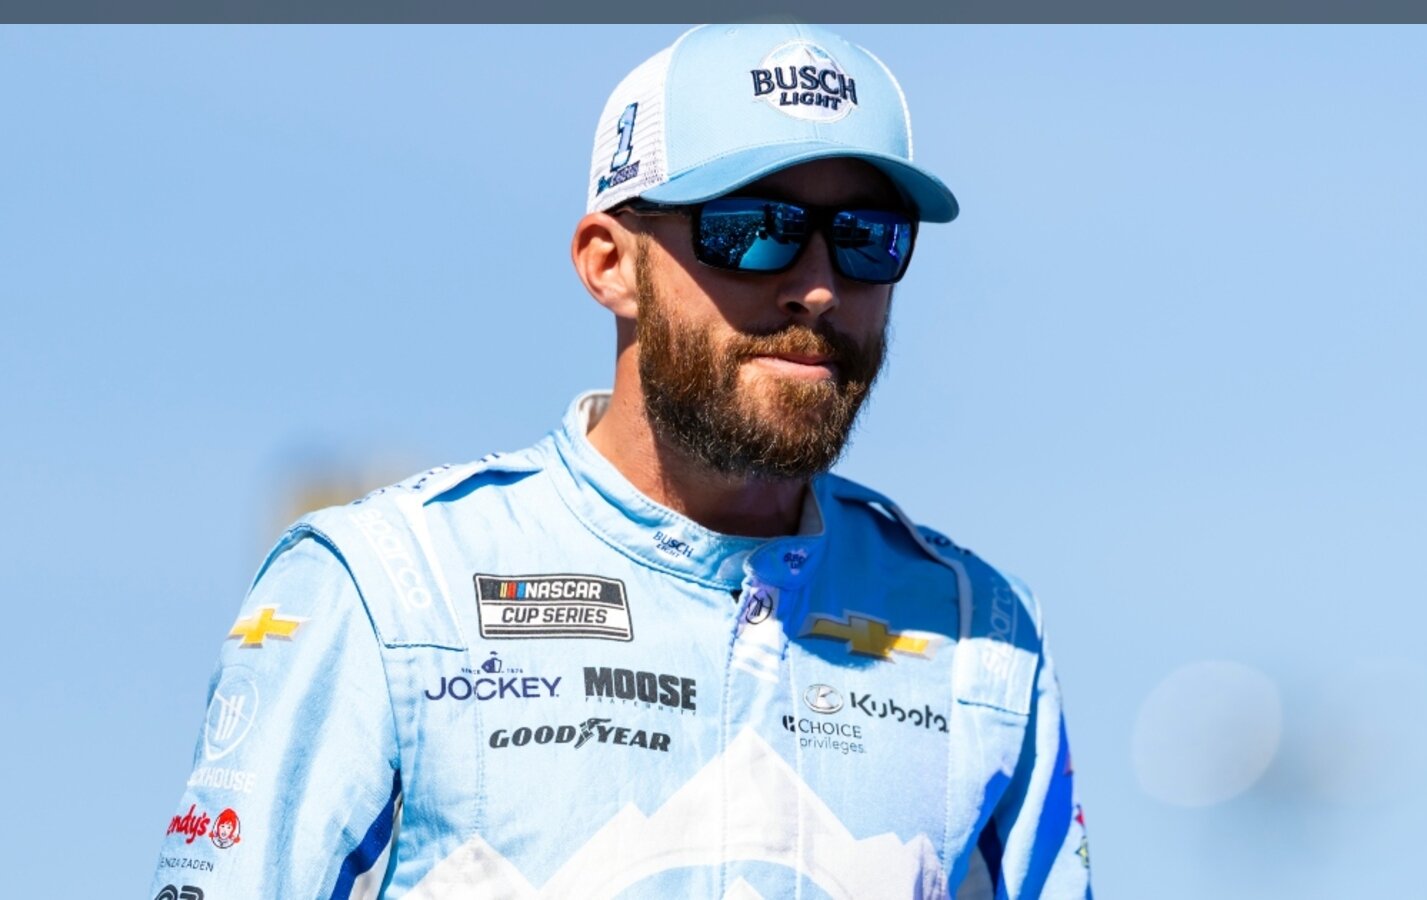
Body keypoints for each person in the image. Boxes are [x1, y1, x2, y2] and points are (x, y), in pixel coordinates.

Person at [149, 23, 1091, 900]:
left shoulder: (981, 635)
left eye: (866, 240)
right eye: (752, 229)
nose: (817, 287)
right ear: (610, 263)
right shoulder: (390, 589)